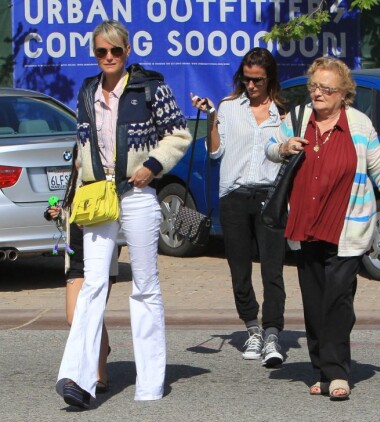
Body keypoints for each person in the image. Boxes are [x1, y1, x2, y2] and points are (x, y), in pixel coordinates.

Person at [55, 19, 192, 409]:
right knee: (92, 285)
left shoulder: (150, 86)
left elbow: (179, 134)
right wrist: (75, 193)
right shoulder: (86, 91)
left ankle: (150, 382)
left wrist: (152, 164)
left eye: (116, 50)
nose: (109, 57)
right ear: (95, 54)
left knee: (145, 286)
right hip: (98, 197)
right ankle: (77, 378)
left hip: (137, 192)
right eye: (102, 51)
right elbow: (83, 147)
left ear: (127, 51)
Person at [265, 57, 380, 400]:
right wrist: (283, 147)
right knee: (314, 303)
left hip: (348, 227)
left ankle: (338, 372)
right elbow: (269, 149)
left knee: (338, 300)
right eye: (314, 86)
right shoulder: (297, 119)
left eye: (327, 88)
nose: (318, 93)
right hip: (305, 224)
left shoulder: (359, 125)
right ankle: (320, 369)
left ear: (344, 93)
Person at [191, 47, 287, 367]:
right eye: (246, 79)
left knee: (273, 269)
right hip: (233, 195)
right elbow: (216, 153)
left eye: (257, 80)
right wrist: (212, 118)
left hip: (270, 197)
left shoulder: (283, 112)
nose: (251, 86)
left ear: (269, 78)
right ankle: (252, 329)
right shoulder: (230, 107)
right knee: (239, 269)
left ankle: (272, 333)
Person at [45, 145, 117, 394]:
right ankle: (100, 346)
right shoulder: (78, 173)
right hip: (76, 251)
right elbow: (76, 207)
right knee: (74, 317)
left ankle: (100, 374)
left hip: (101, 244)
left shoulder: (107, 163)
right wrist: (60, 212)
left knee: (92, 313)